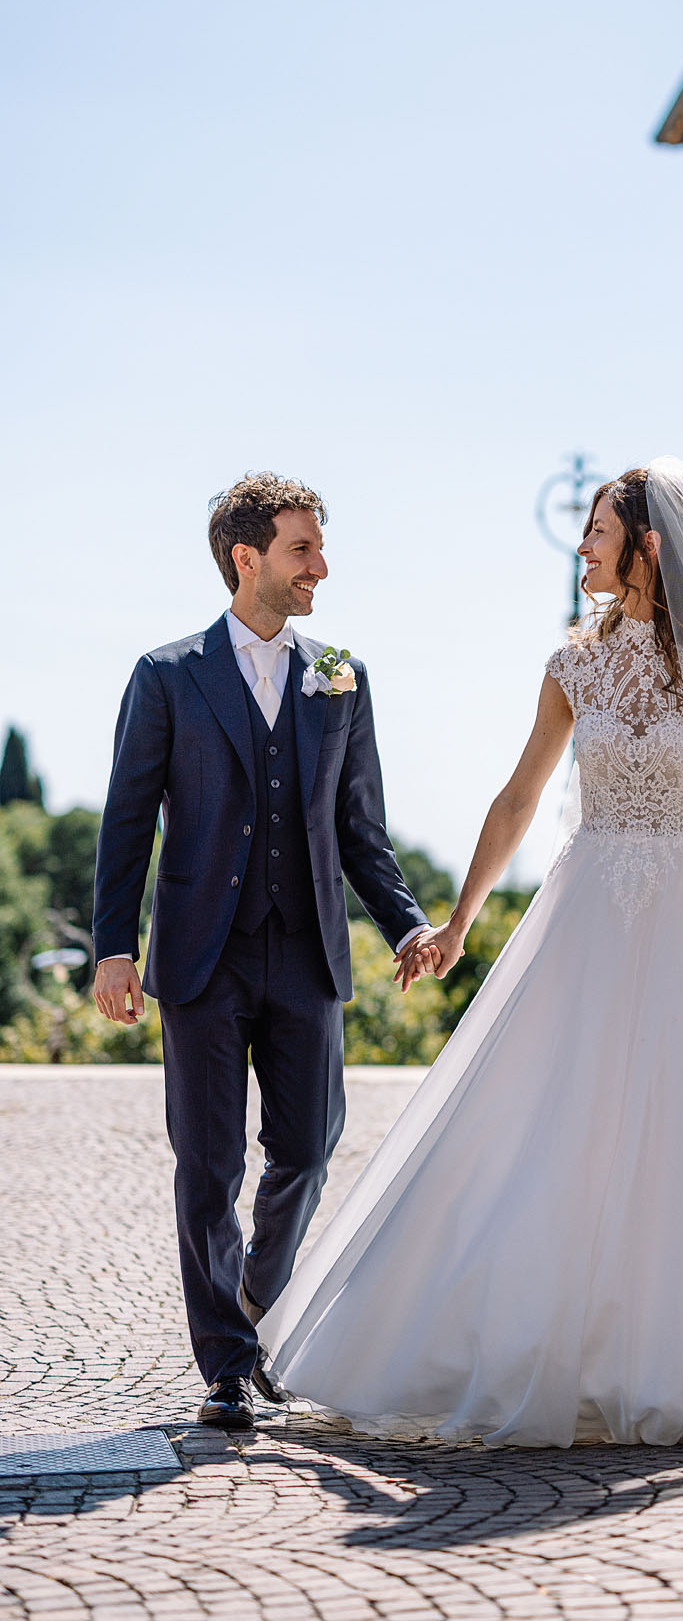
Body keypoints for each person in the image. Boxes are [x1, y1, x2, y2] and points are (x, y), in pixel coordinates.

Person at [259, 459, 683, 1446]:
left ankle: (677, 1352)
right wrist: (454, 923)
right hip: (585, 914)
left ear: (648, 544)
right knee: (551, 1116)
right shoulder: (570, 664)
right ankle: (545, 1339)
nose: (581, 544)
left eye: (596, 528)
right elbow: (516, 797)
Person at [92, 473, 434, 1431]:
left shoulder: (341, 674)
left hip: (307, 952)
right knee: (207, 1164)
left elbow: (361, 828)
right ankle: (227, 1366)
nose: (321, 566)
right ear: (247, 560)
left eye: (318, 548)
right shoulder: (166, 675)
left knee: (310, 1145)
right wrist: (114, 948)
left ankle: (251, 1294)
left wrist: (404, 922)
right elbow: (127, 823)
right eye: (302, 550)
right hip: (202, 955)